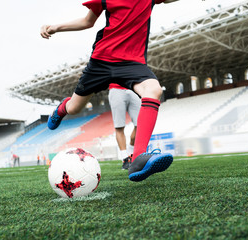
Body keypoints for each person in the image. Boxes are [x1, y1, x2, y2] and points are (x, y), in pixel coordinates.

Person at [41, 0, 177, 182]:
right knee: (74, 108)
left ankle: (137, 159)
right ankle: (61, 109)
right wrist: (56, 27)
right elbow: (87, 21)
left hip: (132, 62)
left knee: (153, 90)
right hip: (102, 60)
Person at [108, 83, 140, 170]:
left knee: (140, 124)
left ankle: (131, 152)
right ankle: (125, 159)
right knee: (119, 127)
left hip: (133, 89)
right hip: (116, 89)